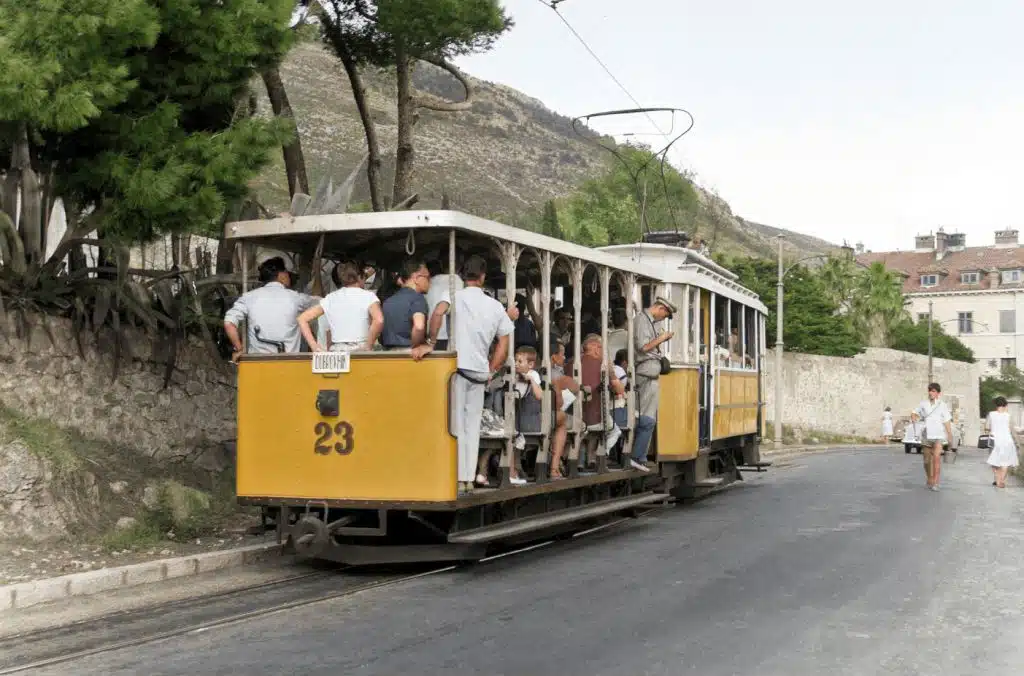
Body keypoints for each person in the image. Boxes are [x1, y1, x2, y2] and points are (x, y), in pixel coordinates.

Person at [449, 255, 515, 492]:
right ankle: (467, 478)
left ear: (463, 275)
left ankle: (457, 476)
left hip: (454, 370)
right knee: (472, 424)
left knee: (455, 424)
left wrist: (431, 338)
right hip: (478, 372)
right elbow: (503, 341)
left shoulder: (453, 297)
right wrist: (492, 368)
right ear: (483, 276)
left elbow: (438, 313)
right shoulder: (495, 306)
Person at [223, 256, 318, 361]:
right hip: (289, 362)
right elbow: (323, 304)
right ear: (281, 275)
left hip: (257, 363)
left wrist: (239, 349)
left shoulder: (249, 297)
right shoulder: (296, 298)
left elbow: (229, 323)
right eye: (287, 273)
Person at [630, 297, 677, 471]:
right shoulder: (642, 320)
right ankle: (637, 456)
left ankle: (638, 455)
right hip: (645, 375)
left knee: (648, 418)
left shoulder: (648, 321)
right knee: (646, 419)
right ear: (661, 308)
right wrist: (662, 338)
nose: (664, 318)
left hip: (650, 375)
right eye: (665, 315)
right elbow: (643, 347)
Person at [297, 261, 382, 352]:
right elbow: (379, 320)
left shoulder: (330, 298)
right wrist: (369, 345)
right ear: (359, 277)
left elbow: (302, 319)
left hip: (337, 351)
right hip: (360, 349)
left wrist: (314, 346)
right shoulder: (369, 296)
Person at [380, 259, 430, 350]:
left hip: (388, 354)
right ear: (416, 278)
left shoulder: (388, 301)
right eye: (427, 277)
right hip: (410, 354)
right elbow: (419, 326)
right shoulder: (417, 298)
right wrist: (417, 346)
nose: (429, 282)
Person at [915, 382, 953, 491]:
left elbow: (946, 421)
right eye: (929, 390)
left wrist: (949, 435)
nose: (930, 393)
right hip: (927, 434)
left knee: (936, 458)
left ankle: (936, 482)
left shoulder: (942, 405)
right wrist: (914, 416)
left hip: (938, 435)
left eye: (933, 391)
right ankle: (929, 477)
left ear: (938, 393)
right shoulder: (923, 404)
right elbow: (915, 412)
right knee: (927, 460)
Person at [985, 396, 1018, 488]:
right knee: (1005, 462)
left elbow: (987, 427)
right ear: (1005, 405)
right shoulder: (1009, 416)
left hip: (995, 441)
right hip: (1007, 441)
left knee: (994, 461)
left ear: (996, 405)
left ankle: (997, 479)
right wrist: (1017, 442)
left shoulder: (991, 414)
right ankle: (1002, 480)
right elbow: (1012, 430)